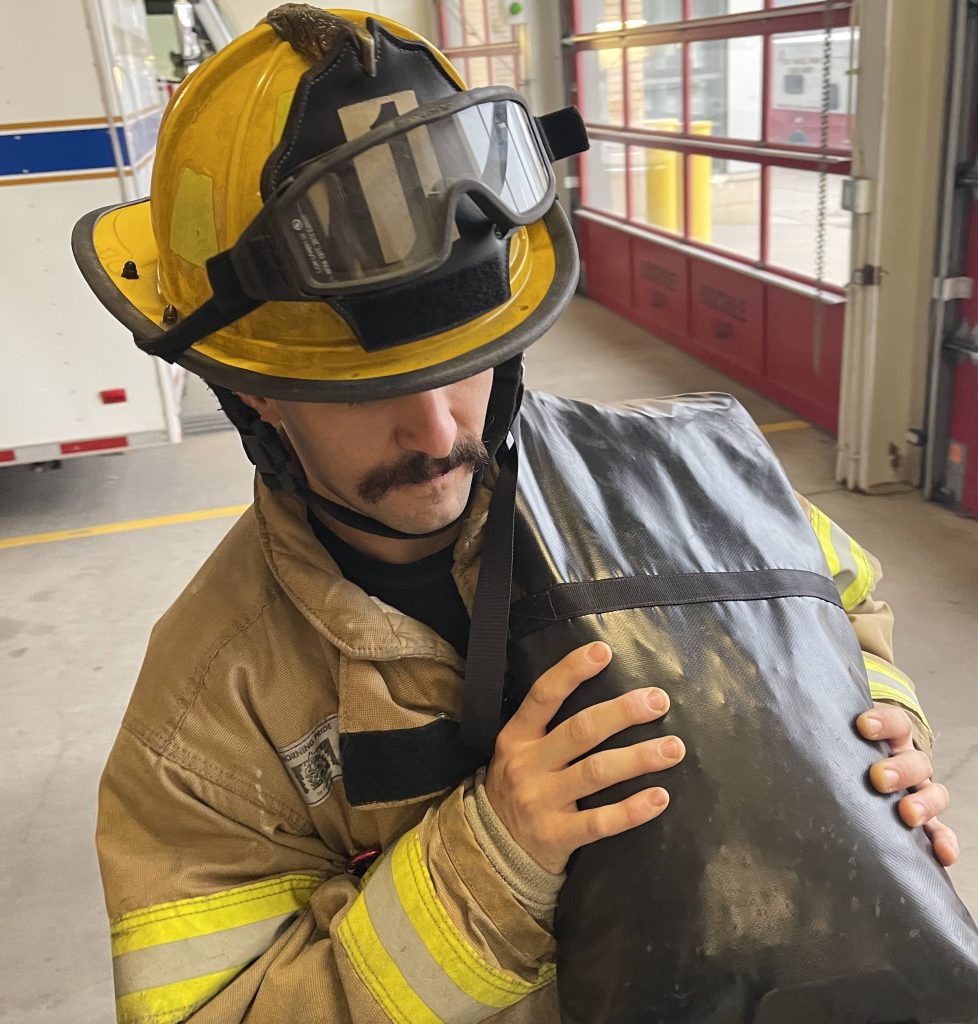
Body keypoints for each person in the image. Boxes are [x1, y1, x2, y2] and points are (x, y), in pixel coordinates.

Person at [74, 7, 957, 1023]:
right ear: (256, 389)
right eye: (367, 386)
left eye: (468, 357)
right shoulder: (209, 718)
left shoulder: (685, 476)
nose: (437, 426)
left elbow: (847, 600)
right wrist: (488, 865)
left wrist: (875, 730)